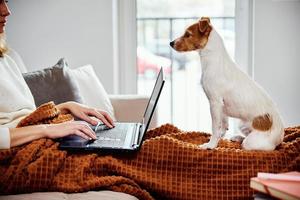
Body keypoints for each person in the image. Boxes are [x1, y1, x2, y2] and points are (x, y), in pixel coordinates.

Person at [0, 0, 115, 149]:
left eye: (5, 1)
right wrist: (48, 130)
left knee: (146, 144)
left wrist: (67, 106)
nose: (7, 10)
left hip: (36, 140)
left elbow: (25, 120)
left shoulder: (7, 60)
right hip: (20, 151)